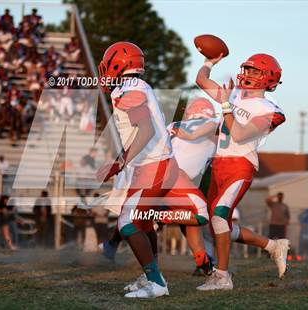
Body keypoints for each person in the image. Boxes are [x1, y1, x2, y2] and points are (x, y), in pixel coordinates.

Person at [96, 43, 210, 298]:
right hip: (163, 163)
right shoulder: (140, 86)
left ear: (117, 64)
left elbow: (145, 130)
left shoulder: (125, 91)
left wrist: (119, 163)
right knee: (144, 223)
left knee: (127, 223)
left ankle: (157, 283)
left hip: (152, 167)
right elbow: (140, 131)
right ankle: (150, 275)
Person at [192, 53, 290, 291]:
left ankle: (222, 276)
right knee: (215, 223)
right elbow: (201, 80)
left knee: (219, 217)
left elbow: (239, 134)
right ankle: (272, 246)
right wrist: (209, 62)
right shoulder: (234, 94)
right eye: (246, 69)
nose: (247, 74)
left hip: (240, 164)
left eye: (254, 71)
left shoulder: (270, 109)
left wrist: (225, 105)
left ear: (268, 78)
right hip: (218, 164)